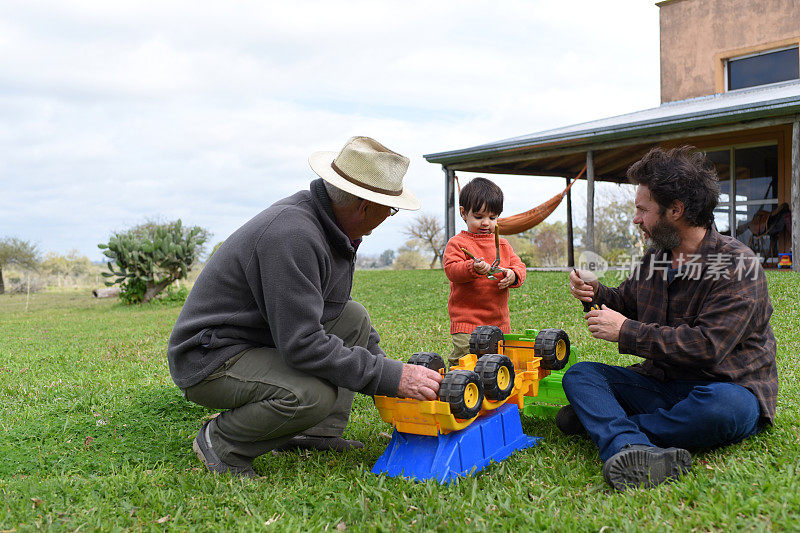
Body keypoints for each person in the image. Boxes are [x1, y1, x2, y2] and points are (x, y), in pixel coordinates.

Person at [167, 136, 443, 478]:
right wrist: (389, 377)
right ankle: (223, 442)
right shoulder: (293, 236)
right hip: (211, 356)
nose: (389, 216)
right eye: (390, 208)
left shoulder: (334, 228)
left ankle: (315, 433)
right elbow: (303, 345)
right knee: (312, 394)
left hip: (259, 337)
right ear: (364, 206)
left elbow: (334, 309)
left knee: (353, 317)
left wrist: (390, 370)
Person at [560, 146, 778, 491]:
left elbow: (707, 346)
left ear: (675, 209)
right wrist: (597, 292)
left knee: (726, 410)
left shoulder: (738, 265)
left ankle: (613, 430)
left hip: (721, 387)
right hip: (661, 384)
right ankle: (628, 442)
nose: (636, 219)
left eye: (642, 210)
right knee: (581, 375)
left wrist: (625, 332)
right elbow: (626, 302)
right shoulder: (656, 259)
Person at [443, 177, 526, 367]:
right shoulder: (457, 243)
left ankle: (494, 396)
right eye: (479, 217)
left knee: (498, 364)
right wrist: (472, 268)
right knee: (466, 361)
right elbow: (451, 270)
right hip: (467, 323)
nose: (486, 223)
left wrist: (513, 275)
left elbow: (519, 266)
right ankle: (457, 390)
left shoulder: (503, 244)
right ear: (464, 213)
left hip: (499, 323)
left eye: (492, 217)